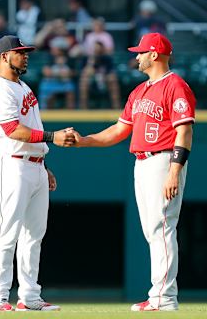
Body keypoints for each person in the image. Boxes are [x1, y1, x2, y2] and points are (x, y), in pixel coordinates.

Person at [71, 33, 195, 312]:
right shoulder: (139, 92)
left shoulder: (175, 85)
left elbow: (184, 131)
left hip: (163, 159)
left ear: (155, 54)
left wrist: (175, 171)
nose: (136, 56)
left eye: (141, 52)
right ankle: (158, 296)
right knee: (153, 231)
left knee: (162, 227)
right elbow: (118, 130)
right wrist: (85, 140)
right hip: (142, 162)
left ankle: (164, 298)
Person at [0, 35, 76, 312]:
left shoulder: (22, 86)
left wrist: (43, 165)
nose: (25, 56)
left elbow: (30, 126)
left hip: (34, 164)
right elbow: (13, 130)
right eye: (20, 52)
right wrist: (52, 137)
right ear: (3, 57)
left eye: (25, 52)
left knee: (34, 234)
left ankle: (30, 297)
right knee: (8, 231)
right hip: (11, 163)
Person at [79, 41, 121, 109]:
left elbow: (111, 72)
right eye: (95, 49)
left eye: (98, 49)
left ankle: (116, 108)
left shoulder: (107, 59)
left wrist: (104, 76)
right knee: (84, 81)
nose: (96, 51)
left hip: (104, 80)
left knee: (112, 80)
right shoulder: (86, 59)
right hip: (91, 81)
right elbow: (83, 73)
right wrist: (90, 62)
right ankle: (84, 109)